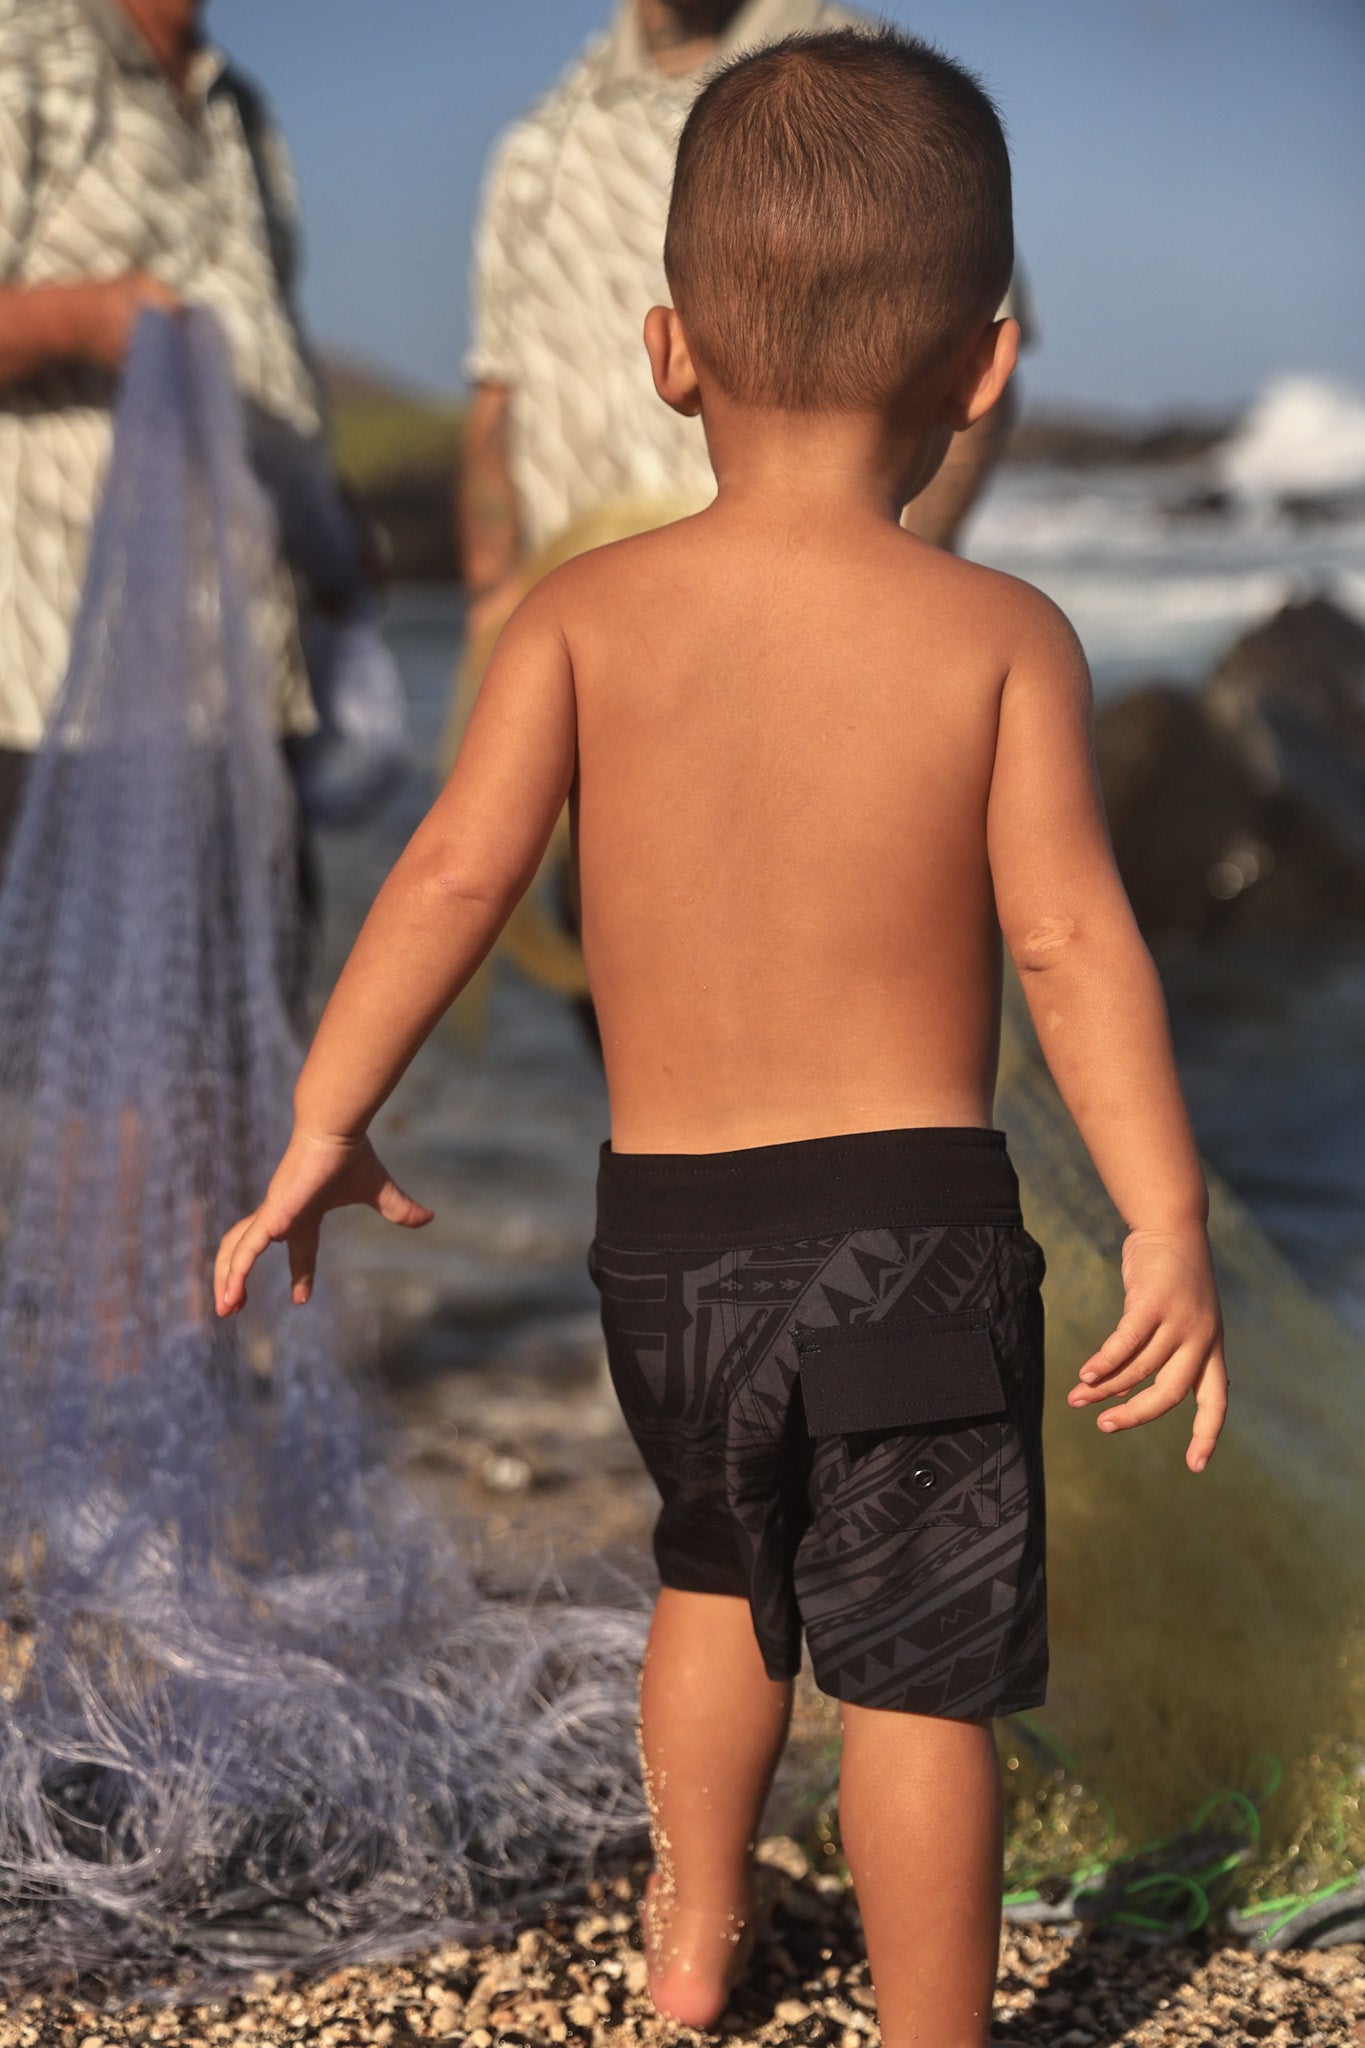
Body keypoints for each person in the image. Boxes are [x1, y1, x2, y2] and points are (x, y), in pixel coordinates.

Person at [215, 29, 1228, 2048]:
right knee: (918, 1675)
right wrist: (1163, 1212)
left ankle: (691, 1958)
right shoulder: (998, 636)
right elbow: (1069, 938)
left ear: (669, 353)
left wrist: (326, 1113)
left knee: (713, 1582)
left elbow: (442, 884)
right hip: (912, 1237)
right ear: (986, 371)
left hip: (666, 1239)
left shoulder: (587, 621)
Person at [460, 0, 1034, 638]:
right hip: (583, 602)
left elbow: (953, 341)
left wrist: (872, 605)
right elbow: (498, 397)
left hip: (824, 615)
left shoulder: (888, 90)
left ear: (669, 353)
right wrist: (493, 599)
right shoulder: (538, 149)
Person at [0, 0, 362, 882]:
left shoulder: (242, 104)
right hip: (58, 704)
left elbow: (276, 344)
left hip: (249, 685)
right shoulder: (22, 51)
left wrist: (334, 522)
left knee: (265, 994)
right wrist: (85, 320)